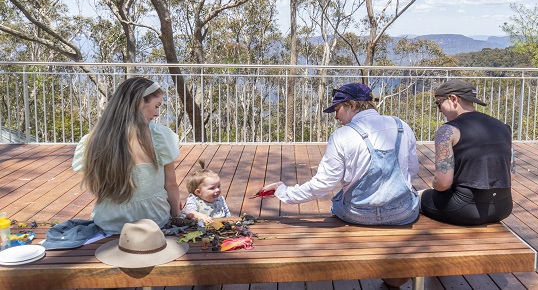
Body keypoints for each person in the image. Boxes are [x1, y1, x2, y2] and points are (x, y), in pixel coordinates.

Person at [257, 83, 420, 226]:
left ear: (352, 104)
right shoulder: (402, 126)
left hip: (357, 215)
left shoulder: (342, 135)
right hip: (402, 214)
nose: (336, 116)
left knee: (338, 199)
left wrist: (283, 191)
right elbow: (411, 170)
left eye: (337, 109)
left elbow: (323, 185)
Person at [72, 77, 181, 235]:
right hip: (155, 223)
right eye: (156, 106)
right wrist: (177, 216)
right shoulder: (161, 137)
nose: (157, 113)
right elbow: (171, 184)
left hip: (110, 224)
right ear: (140, 102)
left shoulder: (93, 139)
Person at [420, 79, 515, 225]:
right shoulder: (503, 127)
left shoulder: (448, 130)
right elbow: (511, 176)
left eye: (439, 104)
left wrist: (434, 184)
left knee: (420, 196)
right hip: (503, 207)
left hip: (465, 209)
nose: (440, 110)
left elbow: (443, 183)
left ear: (453, 99)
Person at [183, 160, 231, 226]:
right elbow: (189, 213)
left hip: (220, 227)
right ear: (198, 192)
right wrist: (201, 216)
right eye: (212, 188)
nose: (217, 190)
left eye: (218, 186)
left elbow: (227, 215)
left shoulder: (220, 199)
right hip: (201, 228)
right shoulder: (194, 199)